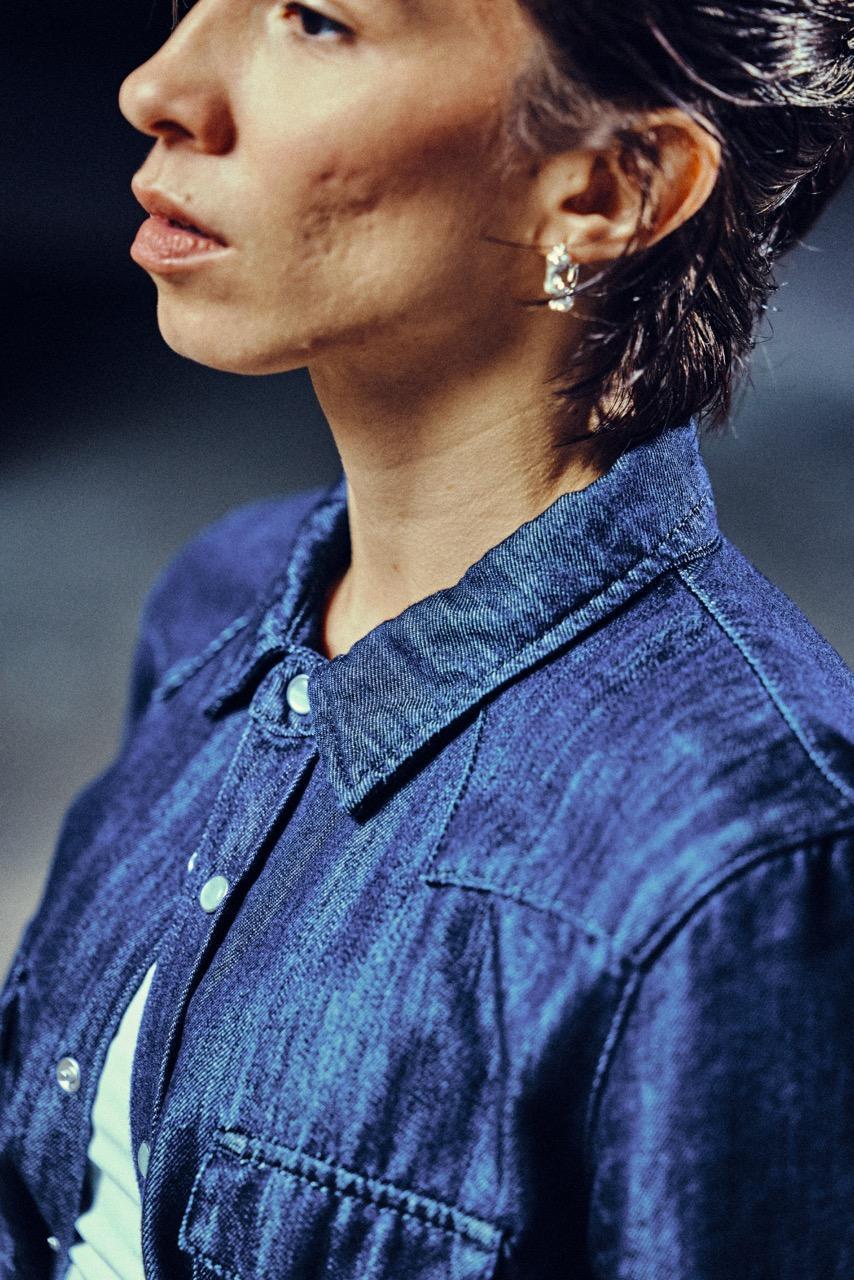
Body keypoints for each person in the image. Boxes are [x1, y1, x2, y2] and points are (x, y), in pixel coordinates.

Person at [1, 0, 853, 1276]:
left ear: (610, 189)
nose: (158, 86)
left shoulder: (743, 856)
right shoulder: (219, 603)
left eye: (314, 20)